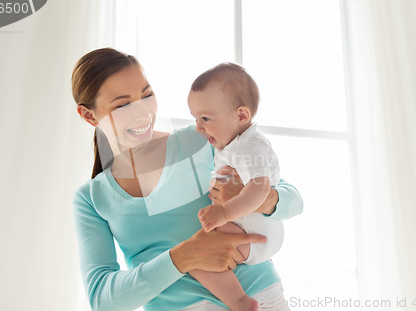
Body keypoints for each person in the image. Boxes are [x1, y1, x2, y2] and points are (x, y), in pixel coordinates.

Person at [72, 47, 303, 311]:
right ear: (89, 115)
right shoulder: (91, 199)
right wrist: (182, 257)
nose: (142, 113)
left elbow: (294, 200)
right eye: (123, 105)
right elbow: (103, 300)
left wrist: (252, 197)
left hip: (260, 299)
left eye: (147, 95)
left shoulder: (201, 140)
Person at [187, 63, 284, 311]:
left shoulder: (249, 146)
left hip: (253, 230)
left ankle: (240, 301)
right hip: (253, 229)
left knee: (195, 255)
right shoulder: (234, 144)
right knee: (195, 252)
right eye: (196, 118)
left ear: (241, 116)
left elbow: (260, 188)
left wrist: (224, 212)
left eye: (206, 118)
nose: (198, 127)